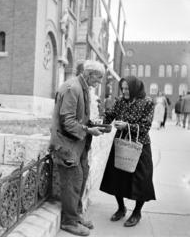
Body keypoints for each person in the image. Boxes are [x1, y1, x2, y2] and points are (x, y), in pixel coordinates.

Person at [49, 60, 105, 236]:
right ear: (89, 74)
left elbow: (78, 117)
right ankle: (69, 221)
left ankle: (76, 215)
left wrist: (92, 124)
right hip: (66, 145)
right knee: (73, 181)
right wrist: (89, 129)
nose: (100, 82)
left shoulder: (82, 87)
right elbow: (68, 122)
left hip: (77, 144)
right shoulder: (73, 88)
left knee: (81, 177)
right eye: (98, 78)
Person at [100, 76, 156, 227]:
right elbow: (110, 115)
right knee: (117, 177)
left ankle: (137, 212)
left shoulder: (147, 102)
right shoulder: (120, 101)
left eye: (127, 89)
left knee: (141, 180)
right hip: (121, 144)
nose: (124, 91)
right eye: (123, 88)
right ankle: (121, 208)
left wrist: (127, 126)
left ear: (135, 88)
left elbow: (145, 127)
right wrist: (100, 124)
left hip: (140, 146)